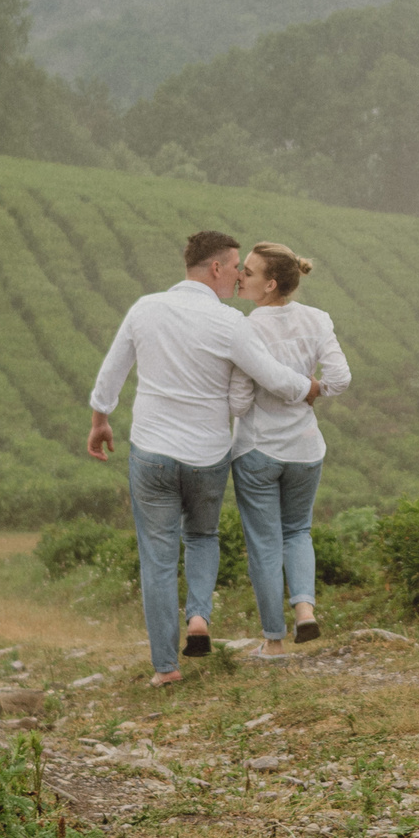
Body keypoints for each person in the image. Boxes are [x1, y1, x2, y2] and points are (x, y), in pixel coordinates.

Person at [87, 230, 322, 687]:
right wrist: (309, 388)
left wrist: (101, 420)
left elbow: (111, 373)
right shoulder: (230, 323)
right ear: (216, 267)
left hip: (152, 452)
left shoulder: (145, 308)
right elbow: (272, 377)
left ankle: (166, 668)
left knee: (156, 557)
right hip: (208, 457)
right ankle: (199, 618)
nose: (239, 277)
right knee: (201, 536)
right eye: (236, 267)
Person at [227, 242, 349, 655]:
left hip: (258, 449)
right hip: (306, 449)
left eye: (249, 271)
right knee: (298, 532)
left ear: (270, 284)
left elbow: (240, 403)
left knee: (264, 542)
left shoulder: (246, 329)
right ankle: (305, 612)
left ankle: (273, 642)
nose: (240, 275)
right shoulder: (316, 319)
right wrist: (312, 391)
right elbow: (340, 378)